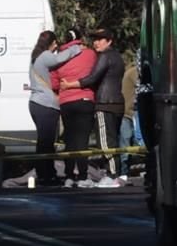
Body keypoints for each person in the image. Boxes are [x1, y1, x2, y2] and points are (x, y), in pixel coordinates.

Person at [61, 27, 125, 186]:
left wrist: (70, 85)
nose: (96, 42)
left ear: (109, 41)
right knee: (113, 140)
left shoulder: (105, 56)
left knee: (105, 142)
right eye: (94, 39)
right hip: (117, 102)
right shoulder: (117, 56)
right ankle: (116, 174)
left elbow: (92, 78)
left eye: (100, 39)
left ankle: (111, 176)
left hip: (105, 103)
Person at [28, 30, 81, 186]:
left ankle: (45, 173)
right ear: (50, 43)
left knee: (43, 142)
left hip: (36, 103)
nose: (57, 46)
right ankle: (47, 175)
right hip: (45, 104)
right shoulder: (45, 56)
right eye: (55, 43)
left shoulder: (35, 56)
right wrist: (75, 48)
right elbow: (60, 58)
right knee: (47, 142)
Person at [52, 28, 97, 187]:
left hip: (66, 102)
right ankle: (83, 175)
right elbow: (95, 73)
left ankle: (69, 175)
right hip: (85, 99)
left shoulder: (59, 59)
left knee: (70, 139)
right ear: (80, 38)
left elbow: (54, 83)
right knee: (82, 140)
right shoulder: (90, 54)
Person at [119, 52, 139, 183]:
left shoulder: (131, 71)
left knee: (127, 142)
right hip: (129, 113)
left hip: (130, 112)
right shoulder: (134, 73)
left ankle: (125, 171)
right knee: (127, 143)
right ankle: (124, 172)